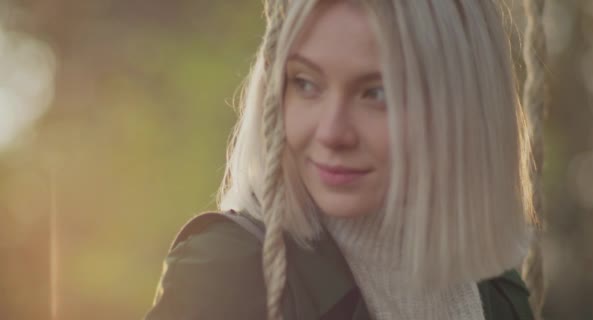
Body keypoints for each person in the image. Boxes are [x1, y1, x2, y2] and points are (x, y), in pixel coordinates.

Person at [144, 0, 536, 319]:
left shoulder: (494, 285)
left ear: (460, 107)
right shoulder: (230, 274)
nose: (332, 132)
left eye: (376, 93)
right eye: (306, 83)